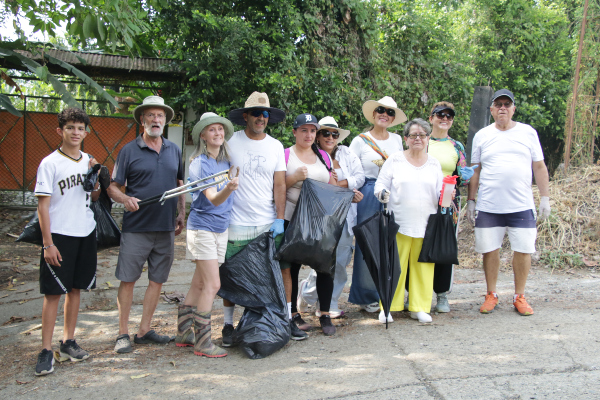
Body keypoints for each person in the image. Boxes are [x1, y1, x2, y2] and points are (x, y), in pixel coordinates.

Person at [224, 92, 308, 343]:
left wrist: (280, 218)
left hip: (268, 219)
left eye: (266, 114)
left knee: (282, 271)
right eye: (257, 113)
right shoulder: (230, 142)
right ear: (246, 116)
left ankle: (286, 318)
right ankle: (228, 324)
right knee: (231, 272)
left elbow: (280, 185)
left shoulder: (274, 146)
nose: (262, 118)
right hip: (236, 219)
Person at [107, 96, 186, 353]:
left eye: (160, 116)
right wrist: (125, 198)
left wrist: (181, 212)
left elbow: (179, 184)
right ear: (142, 120)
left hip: (165, 228)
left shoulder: (174, 149)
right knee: (128, 279)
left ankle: (144, 330)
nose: (156, 120)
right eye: (151, 115)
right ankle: (122, 333)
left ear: (165, 120)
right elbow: (112, 186)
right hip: (136, 227)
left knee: (157, 280)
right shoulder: (128, 150)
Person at [467, 89, 551, 316]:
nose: (503, 108)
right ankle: (491, 294)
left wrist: (545, 198)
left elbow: (539, 166)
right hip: (489, 205)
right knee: (489, 250)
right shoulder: (482, 135)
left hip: (521, 205)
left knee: (523, 250)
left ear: (514, 109)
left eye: (507, 104)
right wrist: (471, 201)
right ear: (492, 109)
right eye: (498, 104)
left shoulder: (528, 132)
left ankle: (519, 296)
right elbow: (475, 170)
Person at [33, 108, 100, 376]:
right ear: (60, 131)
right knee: (53, 293)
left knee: (75, 289)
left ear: (86, 132)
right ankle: (46, 349)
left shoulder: (88, 160)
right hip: (59, 235)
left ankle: (68, 341)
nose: (76, 132)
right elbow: (43, 207)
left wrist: (95, 176)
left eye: (80, 128)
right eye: (70, 127)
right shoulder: (50, 163)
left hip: (85, 232)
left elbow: (94, 198)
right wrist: (48, 243)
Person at [175, 112, 239, 357]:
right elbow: (212, 199)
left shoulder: (223, 162)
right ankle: (203, 342)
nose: (218, 133)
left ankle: (184, 333)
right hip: (203, 229)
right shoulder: (199, 163)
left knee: (200, 282)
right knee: (213, 284)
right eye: (212, 130)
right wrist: (230, 188)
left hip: (220, 228)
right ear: (202, 135)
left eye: (220, 130)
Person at [404, 102, 476, 313]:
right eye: (440, 115)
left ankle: (442, 294)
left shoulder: (456, 147)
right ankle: (413, 293)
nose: (445, 119)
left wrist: (464, 178)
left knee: (443, 247)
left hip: (447, 203)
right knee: (416, 246)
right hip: (419, 201)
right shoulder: (421, 141)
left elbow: (462, 176)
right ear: (432, 117)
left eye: (449, 116)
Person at [374, 118, 443, 324]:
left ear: (428, 139)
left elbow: (440, 192)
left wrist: (448, 194)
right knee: (394, 267)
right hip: (399, 223)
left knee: (424, 267)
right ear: (406, 139)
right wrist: (383, 194)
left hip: (427, 224)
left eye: (422, 135)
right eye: (413, 135)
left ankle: (419, 307)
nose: (418, 139)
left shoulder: (434, 163)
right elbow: (380, 185)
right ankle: (387, 307)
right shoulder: (395, 160)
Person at [297, 116, 364, 319]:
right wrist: (337, 187)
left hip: (345, 214)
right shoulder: (311, 155)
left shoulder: (346, 153)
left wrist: (340, 185)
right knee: (321, 260)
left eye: (334, 134)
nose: (330, 137)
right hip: (321, 216)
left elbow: (359, 177)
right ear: (317, 136)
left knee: (341, 261)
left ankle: (330, 303)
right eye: (326, 133)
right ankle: (308, 292)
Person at [348, 96, 407, 313]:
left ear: (393, 118)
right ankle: (366, 295)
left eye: (390, 112)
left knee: (391, 244)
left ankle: (389, 291)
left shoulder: (398, 140)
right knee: (367, 244)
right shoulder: (360, 140)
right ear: (373, 114)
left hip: (393, 193)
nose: (385, 114)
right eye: (381, 110)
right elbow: (351, 169)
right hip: (368, 194)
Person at [284, 113, 339, 335]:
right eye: (304, 130)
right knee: (292, 267)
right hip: (292, 218)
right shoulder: (285, 155)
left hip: (320, 220)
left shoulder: (324, 156)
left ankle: (325, 315)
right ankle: (293, 315)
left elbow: (333, 186)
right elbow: (277, 186)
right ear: (295, 132)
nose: (308, 134)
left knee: (325, 266)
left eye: (313, 130)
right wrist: (295, 177)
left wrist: (348, 194)